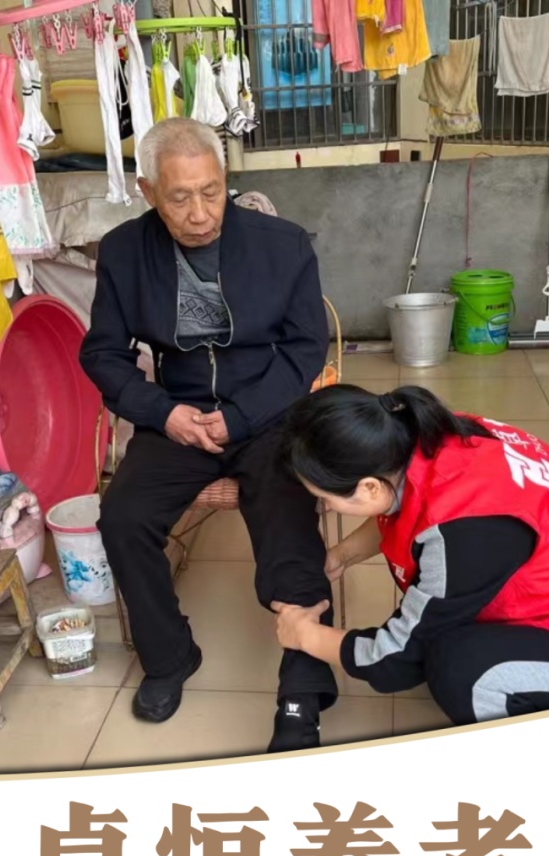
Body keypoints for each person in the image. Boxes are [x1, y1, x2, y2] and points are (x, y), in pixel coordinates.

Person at [80, 118, 335, 751]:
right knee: (123, 517)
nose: (199, 214)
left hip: (267, 410)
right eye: (179, 197)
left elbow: (305, 348)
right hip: (177, 413)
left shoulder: (283, 245)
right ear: (148, 192)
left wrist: (245, 416)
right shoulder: (123, 252)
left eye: (211, 192)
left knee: (288, 509)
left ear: (226, 180)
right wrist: (161, 411)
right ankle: (169, 657)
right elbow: (104, 354)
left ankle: (303, 681)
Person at [272, 385, 549, 723]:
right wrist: (342, 555)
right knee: (445, 634)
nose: (325, 507)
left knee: (460, 671)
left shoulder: (466, 528)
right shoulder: (430, 434)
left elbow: (395, 659)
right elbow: (401, 509)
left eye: (326, 498)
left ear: (368, 487)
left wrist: (305, 635)